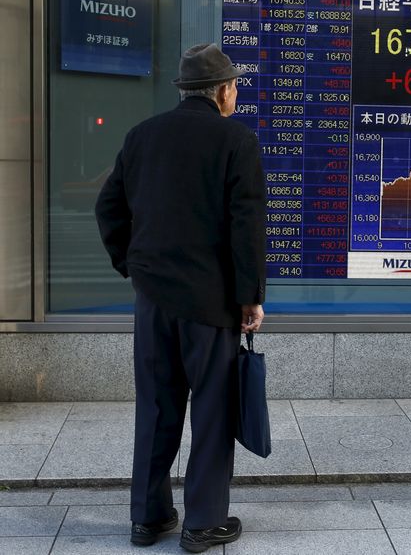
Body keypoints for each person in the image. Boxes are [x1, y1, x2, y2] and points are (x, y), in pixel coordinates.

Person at [95, 43, 266, 553]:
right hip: (211, 304)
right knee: (212, 409)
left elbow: (108, 209)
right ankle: (203, 524)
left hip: (153, 300)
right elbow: (247, 227)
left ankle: (148, 519)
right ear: (221, 91)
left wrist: (134, 267)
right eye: (234, 85)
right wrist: (249, 297)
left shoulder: (142, 136)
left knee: (155, 407)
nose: (236, 92)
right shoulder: (236, 140)